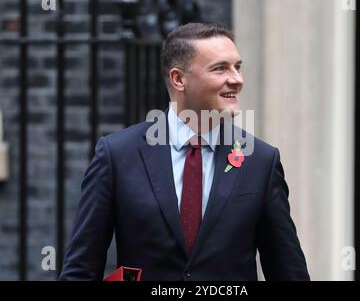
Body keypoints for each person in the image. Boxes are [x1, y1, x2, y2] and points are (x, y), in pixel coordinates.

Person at [60, 23, 310, 281]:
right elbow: (81, 270)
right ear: (179, 79)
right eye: (220, 68)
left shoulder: (261, 161)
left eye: (238, 66)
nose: (236, 79)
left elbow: (288, 271)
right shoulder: (117, 155)